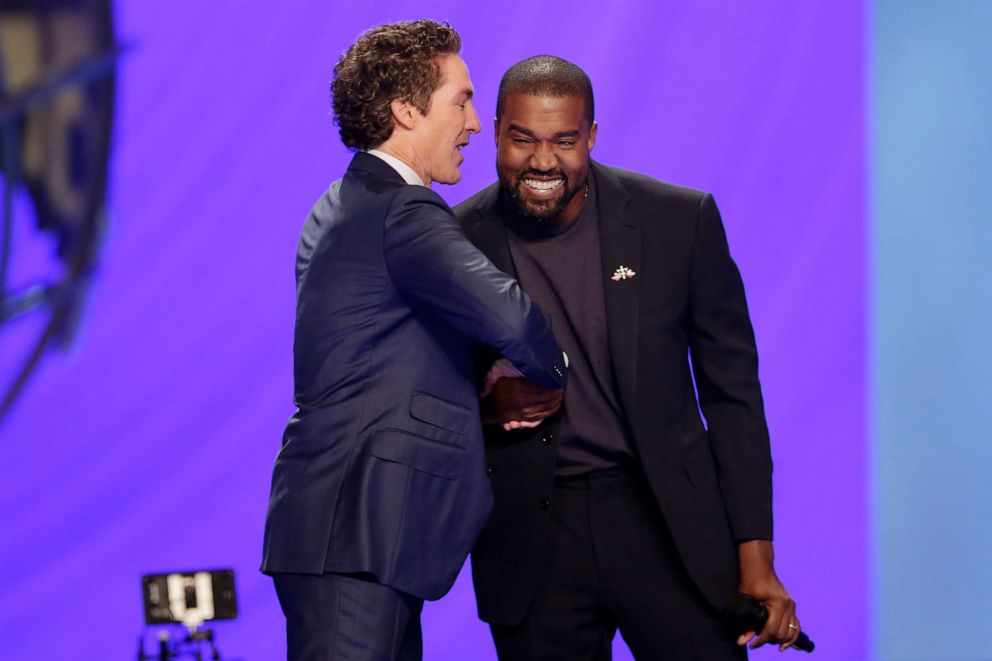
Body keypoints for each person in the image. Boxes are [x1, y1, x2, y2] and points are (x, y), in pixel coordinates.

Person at [454, 55, 800, 660]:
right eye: (523, 140)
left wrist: (757, 557)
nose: (542, 161)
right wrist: (485, 409)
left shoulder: (678, 220)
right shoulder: (454, 239)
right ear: (495, 131)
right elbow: (423, 389)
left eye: (564, 140)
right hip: (533, 535)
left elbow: (733, 396)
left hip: (667, 526)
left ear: (591, 135)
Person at [260, 26, 567, 661]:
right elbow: (517, 323)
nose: (476, 124)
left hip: (348, 533)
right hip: (357, 532)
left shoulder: (338, 205)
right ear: (407, 110)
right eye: (461, 100)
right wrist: (548, 369)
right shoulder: (403, 210)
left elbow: (380, 356)